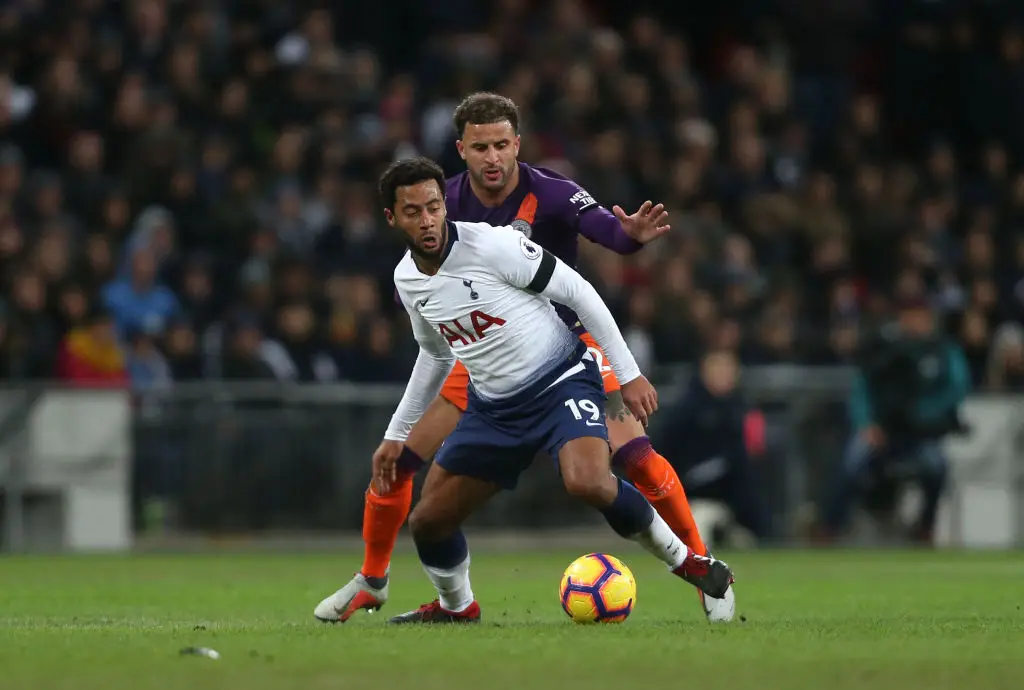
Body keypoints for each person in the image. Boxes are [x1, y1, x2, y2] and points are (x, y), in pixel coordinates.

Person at [314, 93, 734, 623]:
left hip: (564, 350)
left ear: (517, 144)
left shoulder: (542, 200)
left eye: (501, 145)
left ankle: (698, 565)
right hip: (484, 368)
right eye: (480, 147)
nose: (492, 157)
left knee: (623, 457)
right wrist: (395, 433)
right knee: (413, 487)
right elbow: (433, 347)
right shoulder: (431, 207)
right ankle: (382, 581)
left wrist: (626, 246)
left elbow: (597, 255)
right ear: (461, 150)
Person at [820, 295, 971, 543]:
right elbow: (862, 387)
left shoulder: (942, 349)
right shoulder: (883, 348)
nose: (916, 322)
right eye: (910, 316)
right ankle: (830, 527)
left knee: (936, 467)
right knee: (851, 464)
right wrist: (866, 423)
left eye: (921, 316)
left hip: (921, 435)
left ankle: (925, 526)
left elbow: (957, 388)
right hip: (882, 431)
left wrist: (921, 414)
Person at [654, 349, 772, 542]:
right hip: (691, 496)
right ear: (704, 371)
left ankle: (761, 532)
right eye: (718, 369)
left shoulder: (741, 407)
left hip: (731, 499)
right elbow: (665, 454)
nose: (724, 375)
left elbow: (753, 453)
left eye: (728, 369)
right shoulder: (686, 410)